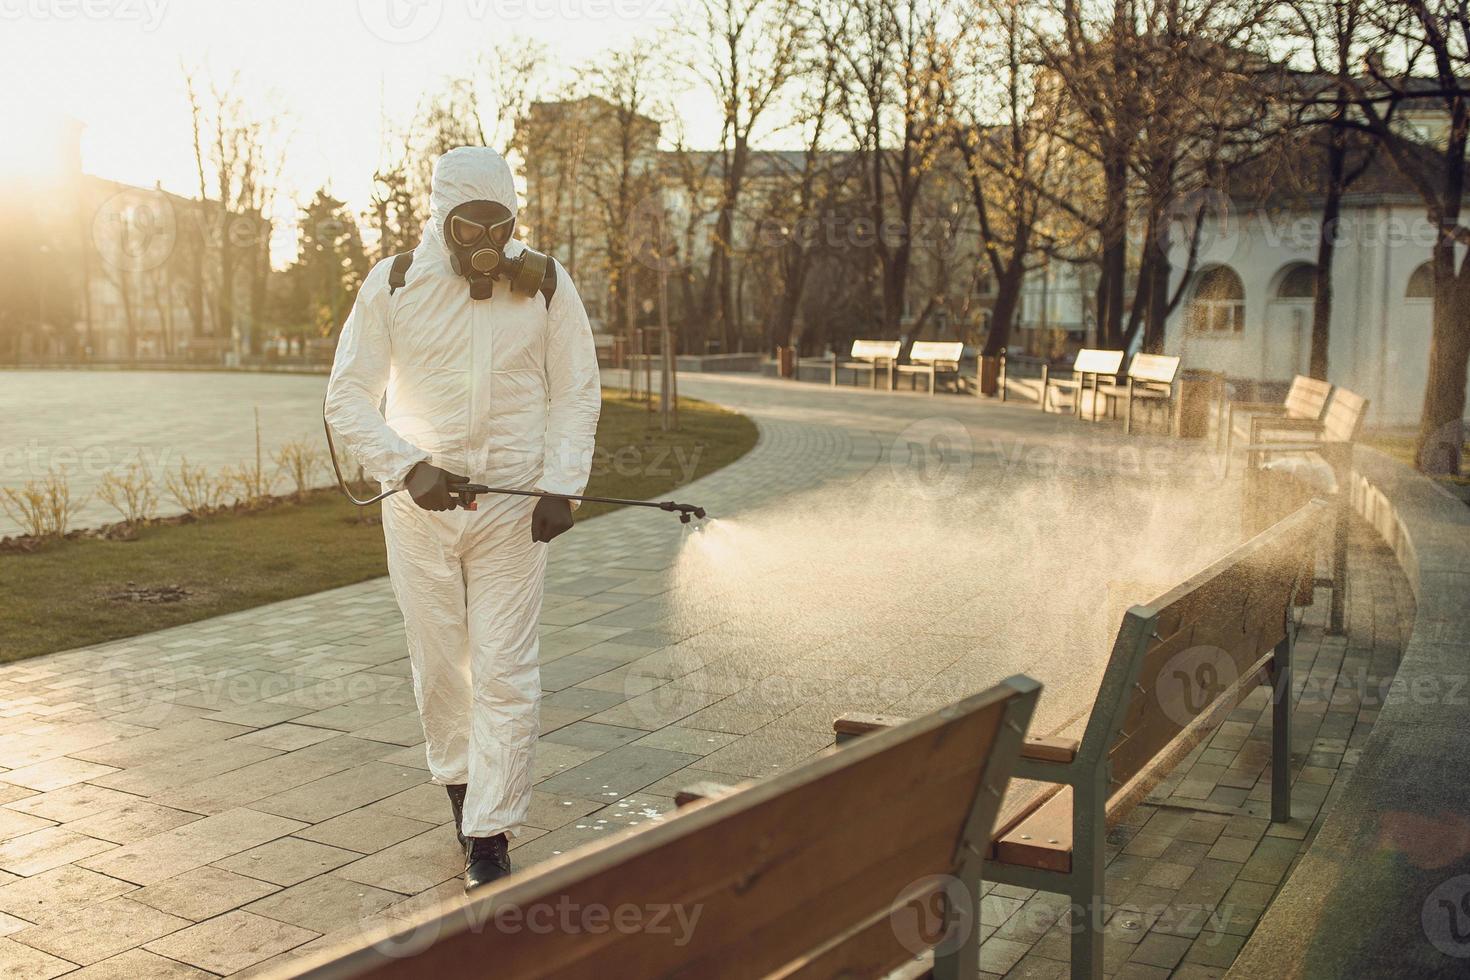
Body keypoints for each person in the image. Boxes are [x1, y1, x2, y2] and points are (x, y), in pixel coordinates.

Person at [324, 146, 601, 891]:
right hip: (420, 511)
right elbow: (346, 397)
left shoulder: (544, 287)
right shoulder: (395, 283)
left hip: (515, 513)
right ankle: (460, 784)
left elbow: (576, 389)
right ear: (440, 218)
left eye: (498, 225)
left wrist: (562, 486)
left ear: (514, 219)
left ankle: (491, 831)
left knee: (507, 671)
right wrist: (407, 467)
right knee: (442, 663)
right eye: (467, 226)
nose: (485, 243)